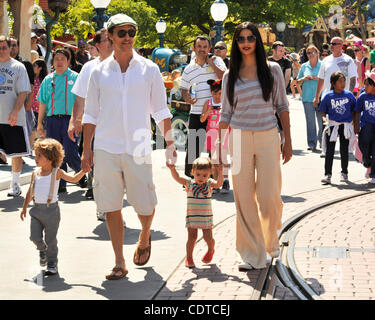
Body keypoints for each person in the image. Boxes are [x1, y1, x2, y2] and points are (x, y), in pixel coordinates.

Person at [81, 13, 177, 280]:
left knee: (145, 204)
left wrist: (170, 144)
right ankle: (119, 261)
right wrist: (86, 150)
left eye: (130, 32)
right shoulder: (97, 71)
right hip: (106, 146)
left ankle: (145, 236)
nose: (126, 37)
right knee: (111, 204)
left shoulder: (149, 69)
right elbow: (90, 114)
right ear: (110, 36)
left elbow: (160, 110)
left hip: (138, 147)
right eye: (121, 33)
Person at [217, 22, 292, 270]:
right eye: (241, 39)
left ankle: (270, 246)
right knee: (244, 199)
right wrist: (219, 150)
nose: (246, 42)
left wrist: (288, 141)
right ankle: (251, 253)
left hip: (268, 137)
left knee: (269, 196)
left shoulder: (272, 71)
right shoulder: (230, 75)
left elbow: (282, 106)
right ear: (236, 43)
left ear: (257, 42)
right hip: (238, 139)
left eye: (250, 38)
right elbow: (225, 115)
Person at [20, 138, 87, 275]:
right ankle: (42, 250)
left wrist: (83, 171)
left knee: (51, 239)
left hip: (52, 211)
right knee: (34, 237)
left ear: (50, 158)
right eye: (36, 154)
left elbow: (73, 179)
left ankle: (52, 263)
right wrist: (24, 207)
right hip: (36, 210)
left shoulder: (57, 172)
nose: (36, 158)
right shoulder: (35, 173)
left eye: (40, 155)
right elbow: (30, 191)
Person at [68, 28, 113, 222]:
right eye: (107, 41)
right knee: (99, 168)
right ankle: (104, 205)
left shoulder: (126, 66)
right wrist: (73, 121)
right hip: (94, 126)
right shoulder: (89, 68)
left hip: (119, 127)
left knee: (116, 171)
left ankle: (111, 204)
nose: (112, 43)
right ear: (97, 46)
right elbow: (79, 98)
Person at [37, 48, 86, 193]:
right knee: (56, 154)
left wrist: (79, 119)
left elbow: (82, 100)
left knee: (70, 151)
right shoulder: (48, 79)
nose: (59, 62)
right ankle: (61, 183)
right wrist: (40, 123)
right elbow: (42, 102)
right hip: (52, 121)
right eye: (56, 59)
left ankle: (81, 174)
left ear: (68, 61)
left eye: (62, 59)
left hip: (70, 120)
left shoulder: (76, 78)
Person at [180, 35, 227, 177]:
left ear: (209, 48)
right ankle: (190, 178)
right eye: (199, 46)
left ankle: (213, 178)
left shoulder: (216, 61)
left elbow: (225, 78)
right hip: (196, 113)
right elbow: (183, 89)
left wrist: (212, 64)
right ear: (194, 48)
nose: (202, 49)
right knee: (194, 146)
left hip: (216, 113)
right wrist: (187, 97)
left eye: (205, 47)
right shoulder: (188, 69)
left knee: (214, 147)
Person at [168, 157, 223, 268]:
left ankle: (211, 249)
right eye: (198, 174)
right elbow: (178, 178)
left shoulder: (209, 183)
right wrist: (172, 169)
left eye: (204, 175)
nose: (201, 178)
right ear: (192, 172)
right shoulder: (189, 183)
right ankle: (189, 258)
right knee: (192, 237)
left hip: (205, 217)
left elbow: (218, 184)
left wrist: (220, 172)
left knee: (208, 238)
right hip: (193, 216)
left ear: (209, 175)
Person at [0, 35, 31, 196]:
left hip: (13, 119)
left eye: (4, 47)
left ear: (10, 48)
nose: (2, 51)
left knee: (16, 153)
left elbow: (23, 92)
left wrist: (14, 111)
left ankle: (15, 184)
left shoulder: (18, 67)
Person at [319, 72, 356, 184]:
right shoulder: (328, 96)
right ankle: (327, 175)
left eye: (344, 81)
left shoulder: (349, 95)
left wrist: (354, 122)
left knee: (344, 150)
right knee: (329, 151)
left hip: (345, 125)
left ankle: (344, 173)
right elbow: (322, 111)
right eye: (340, 81)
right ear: (333, 83)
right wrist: (324, 119)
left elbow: (355, 109)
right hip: (332, 125)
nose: (343, 83)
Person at [200, 79, 230, 193]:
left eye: (220, 93)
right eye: (215, 93)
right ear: (211, 92)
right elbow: (202, 119)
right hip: (211, 134)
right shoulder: (208, 103)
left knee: (222, 157)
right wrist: (208, 111)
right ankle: (217, 182)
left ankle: (226, 181)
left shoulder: (226, 103)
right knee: (214, 159)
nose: (218, 96)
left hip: (223, 133)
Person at [313, 37, 357, 107]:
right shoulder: (325, 60)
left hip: (343, 99)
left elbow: (353, 79)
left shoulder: (348, 60)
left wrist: (349, 94)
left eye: (334, 44)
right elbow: (321, 79)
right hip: (327, 98)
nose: (331, 46)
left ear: (341, 46)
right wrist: (317, 96)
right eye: (330, 44)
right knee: (327, 118)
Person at [297, 44, 323, 151]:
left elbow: (329, 80)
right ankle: (312, 143)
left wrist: (319, 79)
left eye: (313, 52)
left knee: (322, 123)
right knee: (310, 122)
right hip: (307, 97)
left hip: (321, 97)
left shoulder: (323, 65)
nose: (311, 54)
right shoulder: (304, 66)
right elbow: (297, 82)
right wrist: (304, 78)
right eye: (308, 53)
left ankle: (322, 142)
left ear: (317, 53)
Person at [354, 71, 375, 184]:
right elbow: (357, 112)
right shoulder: (363, 97)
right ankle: (367, 161)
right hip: (366, 125)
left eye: (367, 85)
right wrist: (356, 126)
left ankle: (373, 174)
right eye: (364, 84)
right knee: (363, 144)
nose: (365, 87)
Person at [31, 59, 48, 146]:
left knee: (43, 130)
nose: (32, 67)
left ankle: (45, 147)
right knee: (32, 129)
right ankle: (30, 148)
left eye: (34, 66)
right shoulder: (31, 79)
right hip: (32, 108)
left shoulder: (45, 80)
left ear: (40, 68)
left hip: (42, 110)